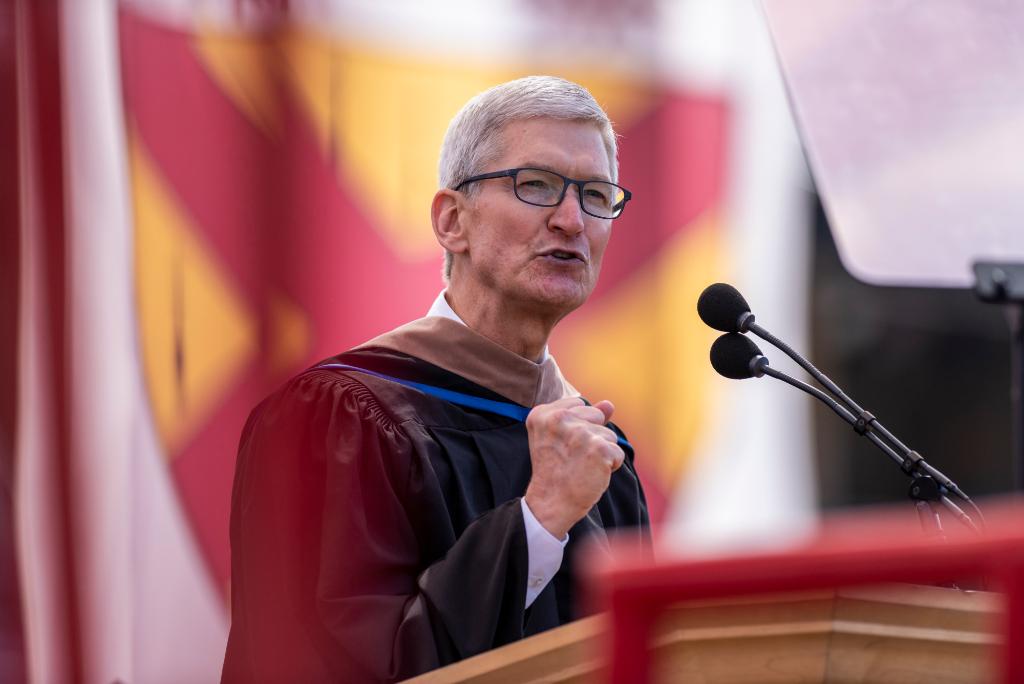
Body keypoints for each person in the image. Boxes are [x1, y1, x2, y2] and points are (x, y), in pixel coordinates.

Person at [221, 75, 649, 683]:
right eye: (537, 185)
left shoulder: (599, 451)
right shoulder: (340, 417)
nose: (572, 220)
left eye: (597, 195)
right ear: (452, 220)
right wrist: (537, 522)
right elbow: (348, 667)